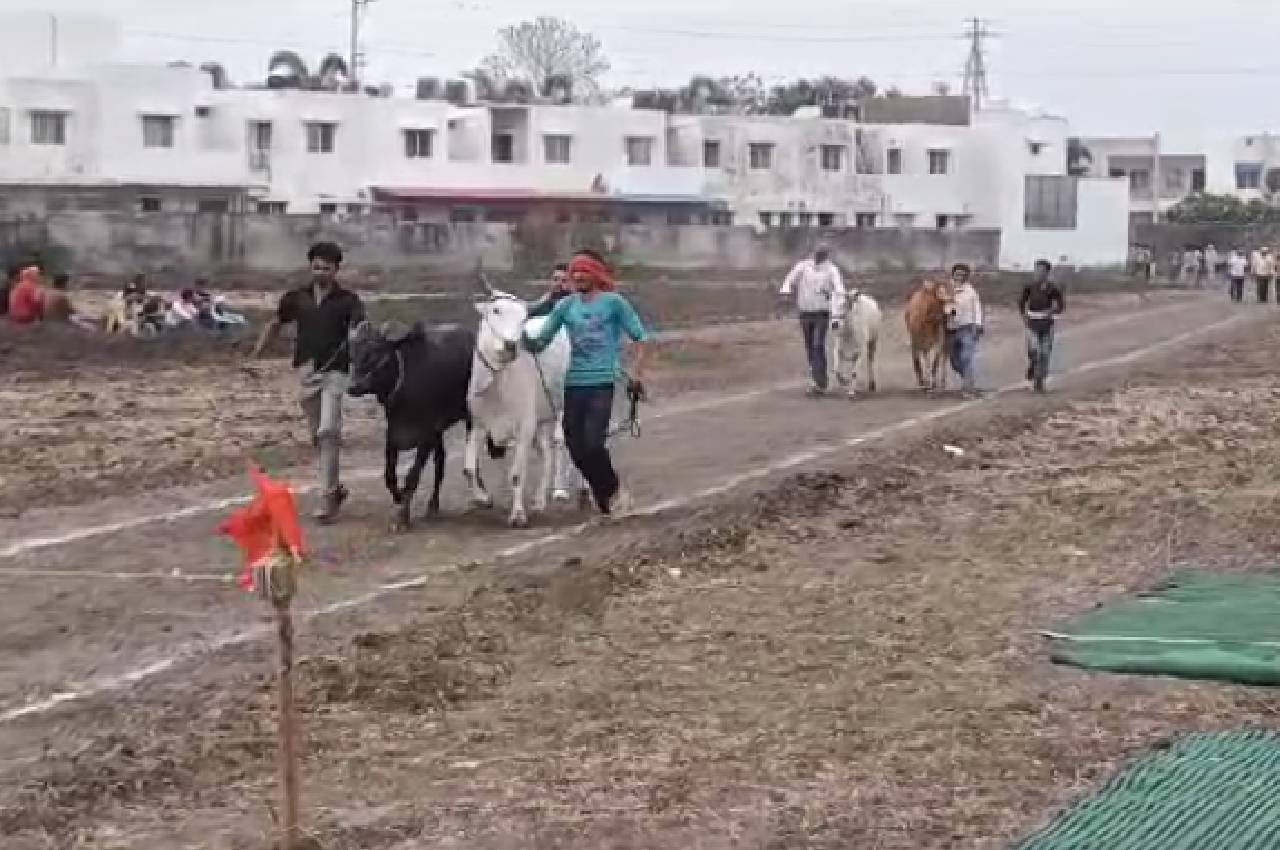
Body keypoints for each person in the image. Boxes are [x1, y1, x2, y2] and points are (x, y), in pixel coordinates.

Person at [525, 250, 650, 517]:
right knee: (575, 446)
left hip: (602, 382)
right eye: (574, 272)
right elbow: (542, 339)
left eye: (583, 272)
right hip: (574, 383)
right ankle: (604, 493)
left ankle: (613, 490)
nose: (578, 276)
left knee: (593, 443)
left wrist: (636, 376)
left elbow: (640, 337)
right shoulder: (565, 306)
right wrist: (520, 340)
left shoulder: (614, 303)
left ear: (595, 275)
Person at [252, 241, 366, 523]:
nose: (320, 272)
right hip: (307, 371)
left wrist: (357, 339)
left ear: (336, 270)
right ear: (310, 266)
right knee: (318, 435)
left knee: (328, 430)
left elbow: (360, 328)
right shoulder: (296, 297)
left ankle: (327, 497)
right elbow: (276, 323)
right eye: (316, 266)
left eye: (326, 268)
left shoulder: (349, 301)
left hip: (336, 372)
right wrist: (258, 351)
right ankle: (336, 488)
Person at [779, 244, 846, 396]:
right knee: (810, 346)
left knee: (817, 345)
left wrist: (838, 304)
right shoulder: (803, 266)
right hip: (805, 312)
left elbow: (839, 289)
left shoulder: (831, 270)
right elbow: (790, 279)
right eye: (816, 253)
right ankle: (817, 379)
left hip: (822, 312)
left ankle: (820, 381)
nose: (818, 256)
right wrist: (785, 291)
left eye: (821, 254)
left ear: (826, 255)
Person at [1019, 260, 1065, 393]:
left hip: (1046, 324)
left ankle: (1040, 381)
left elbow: (1061, 305)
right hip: (1032, 323)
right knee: (1034, 351)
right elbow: (1022, 302)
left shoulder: (1052, 288)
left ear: (1047, 272)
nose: (1039, 273)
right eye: (1037, 270)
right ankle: (1032, 371)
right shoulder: (1029, 286)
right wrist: (1024, 316)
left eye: (1042, 270)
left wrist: (1052, 311)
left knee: (1044, 353)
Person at [947, 263, 983, 398]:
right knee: (954, 361)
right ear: (953, 275)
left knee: (966, 357)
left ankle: (967, 388)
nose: (959, 277)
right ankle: (968, 379)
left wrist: (978, 325)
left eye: (962, 275)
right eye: (957, 274)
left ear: (966, 277)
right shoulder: (947, 289)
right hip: (950, 329)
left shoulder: (970, 291)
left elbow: (977, 308)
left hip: (967, 327)